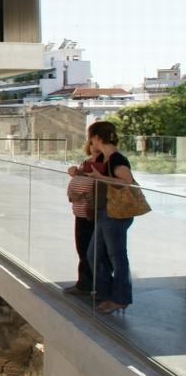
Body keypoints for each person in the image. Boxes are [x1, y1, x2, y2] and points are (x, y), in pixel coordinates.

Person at [84, 121, 136, 314]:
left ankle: (120, 298)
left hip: (115, 214)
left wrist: (101, 178)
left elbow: (127, 182)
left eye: (92, 138)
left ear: (97, 138)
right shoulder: (106, 158)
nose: (90, 142)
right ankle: (106, 294)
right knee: (94, 254)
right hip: (106, 213)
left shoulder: (116, 159)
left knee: (117, 257)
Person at [64, 139, 104, 296]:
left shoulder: (103, 165)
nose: (95, 147)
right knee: (82, 250)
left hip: (92, 215)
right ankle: (85, 283)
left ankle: (91, 285)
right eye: (93, 144)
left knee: (91, 252)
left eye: (99, 144)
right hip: (80, 214)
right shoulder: (85, 163)